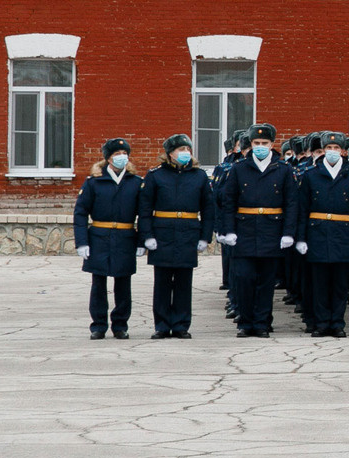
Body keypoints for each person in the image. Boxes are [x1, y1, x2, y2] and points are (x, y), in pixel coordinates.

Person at [214, 124, 292, 337]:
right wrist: (227, 230)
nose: (260, 147)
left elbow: (291, 204)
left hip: (271, 231)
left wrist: (288, 233)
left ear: (271, 145)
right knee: (244, 279)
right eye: (256, 143)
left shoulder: (283, 169)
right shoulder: (239, 168)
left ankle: (262, 323)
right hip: (244, 231)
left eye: (264, 143)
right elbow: (228, 201)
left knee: (266, 283)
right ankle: (246, 322)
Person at [286, 132, 349, 337]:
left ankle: (337, 323)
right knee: (319, 284)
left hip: (343, 235)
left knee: (340, 284)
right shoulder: (311, 175)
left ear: (343, 151)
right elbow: (303, 209)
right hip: (318, 235)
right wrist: (301, 238)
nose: (332, 152)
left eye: (336, 149)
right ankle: (321, 323)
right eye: (328, 148)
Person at [136, 132, 215, 339]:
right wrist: (147, 236)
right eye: (181, 149)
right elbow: (144, 208)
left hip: (188, 233)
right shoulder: (156, 175)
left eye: (188, 149)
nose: (185, 153)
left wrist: (205, 236)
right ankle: (162, 325)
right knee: (162, 282)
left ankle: (180, 325)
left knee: (183, 282)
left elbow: (208, 208)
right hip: (162, 234)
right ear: (170, 153)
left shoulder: (199, 176)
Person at [74, 137, 145, 340]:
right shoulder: (94, 182)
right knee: (99, 283)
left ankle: (120, 324)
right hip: (99, 237)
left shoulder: (136, 182)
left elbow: (144, 213)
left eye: (124, 154)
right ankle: (98, 325)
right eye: (116, 154)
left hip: (125, 236)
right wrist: (82, 242)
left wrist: (141, 241)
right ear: (107, 158)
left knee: (123, 284)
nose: (121, 157)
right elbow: (80, 212)